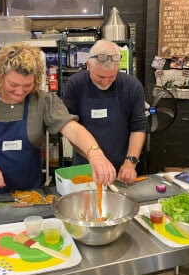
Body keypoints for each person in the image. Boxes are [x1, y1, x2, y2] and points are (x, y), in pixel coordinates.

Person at [0, 42, 116, 197]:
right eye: (13, 85)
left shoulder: (43, 101)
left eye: (27, 85)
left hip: (30, 196)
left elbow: (72, 128)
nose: (20, 92)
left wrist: (95, 153)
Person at [63, 39, 147, 184]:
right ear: (88, 65)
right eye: (100, 77)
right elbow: (71, 128)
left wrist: (130, 162)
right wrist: (94, 158)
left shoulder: (132, 86)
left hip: (122, 169)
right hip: (85, 168)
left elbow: (138, 128)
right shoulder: (75, 84)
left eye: (111, 77)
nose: (105, 82)